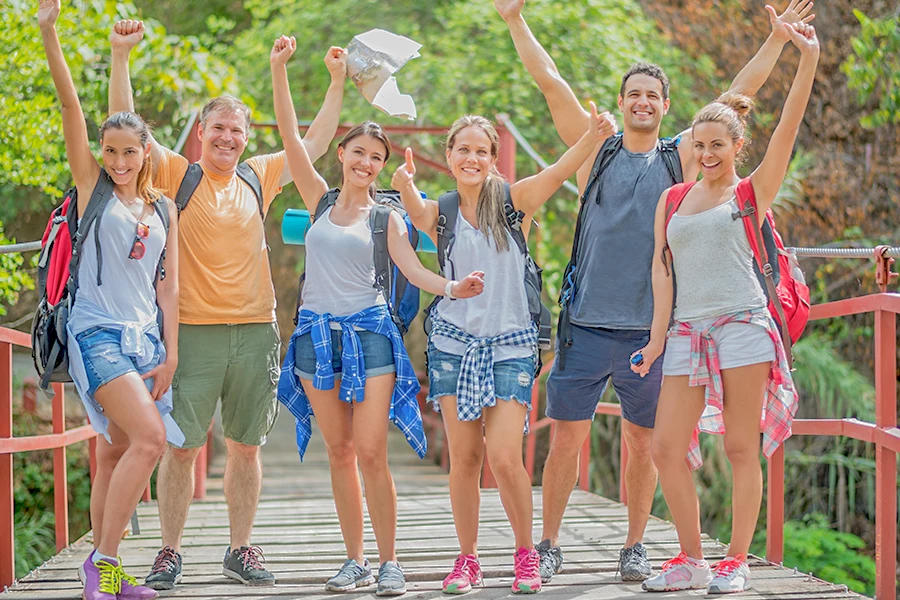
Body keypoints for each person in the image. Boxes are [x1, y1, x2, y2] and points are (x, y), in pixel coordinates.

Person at [494, 0, 815, 583]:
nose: (642, 101)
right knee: (566, 437)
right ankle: (547, 542)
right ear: (621, 102)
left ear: (666, 107)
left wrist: (775, 42)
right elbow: (550, 83)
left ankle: (636, 545)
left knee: (646, 443)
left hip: (657, 329)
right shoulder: (599, 148)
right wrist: (516, 20)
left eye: (652, 95)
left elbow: (737, 99)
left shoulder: (682, 157)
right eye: (633, 93)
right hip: (587, 320)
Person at [107, 19, 348, 590]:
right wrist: (121, 57)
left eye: (235, 131)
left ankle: (241, 550)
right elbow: (127, 130)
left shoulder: (257, 176)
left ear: (244, 136)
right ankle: (169, 552)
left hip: (256, 332)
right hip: (191, 332)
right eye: (218, 129)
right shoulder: (175, 174)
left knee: (246, 446)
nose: (227, 139)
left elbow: (313, 144)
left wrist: (331, 79)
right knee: (183, 448)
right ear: (201, 134)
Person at [270, 35, 486, 596]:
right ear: (342, 155)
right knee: (338, 452)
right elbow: (292, 138)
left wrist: (454, 287)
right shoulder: (317, 198)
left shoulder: (385, 219)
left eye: (376, 158)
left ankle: (390, 561)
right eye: (358, 153)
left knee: (370, 452)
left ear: (382, 166)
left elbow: (415, 273)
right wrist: (300, 73)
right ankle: (355, 558)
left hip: (370, 338)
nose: (366, 163)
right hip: (314, 338)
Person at [393, 105, 616, 594]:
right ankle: (467, 559)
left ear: (493, 158)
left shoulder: (515, 202)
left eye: (481, 150)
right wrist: (406, 182)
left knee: (504, 456)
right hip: (453, 344)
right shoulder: (443, 212)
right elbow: (414, 209)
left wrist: (591, 138)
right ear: (449, 156)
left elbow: (558, 172)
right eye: (463, 149)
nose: (471, 157)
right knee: (465, 457)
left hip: (511, 343)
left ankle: (524, 554)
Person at [632, 21, 816, 594]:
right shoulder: (673, 198)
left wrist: (805, 59)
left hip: (742, 325)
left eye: (719, 145)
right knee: (664, 446)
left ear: (738, 147)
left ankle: (734, 561)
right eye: (700, 145)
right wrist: (658, 339)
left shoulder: (750, 192)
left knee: (741, 446)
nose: (708, 153)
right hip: (687, 330)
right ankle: (692, 559)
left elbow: (787, 125)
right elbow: (662, 270)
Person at [38, 2, 182, 599]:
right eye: (110, 151)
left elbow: (168, 287)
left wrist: (171, 354)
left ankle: (110, 573)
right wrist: (51, 33)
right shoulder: (95, 193)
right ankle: (103, 561)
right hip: (97, 334)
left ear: (147, 152)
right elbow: (74, 108)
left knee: (119, 449)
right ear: (99, 153)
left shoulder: (164, 208)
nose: (119, 161)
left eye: (130, 151)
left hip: (146, 341)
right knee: (150, 441)